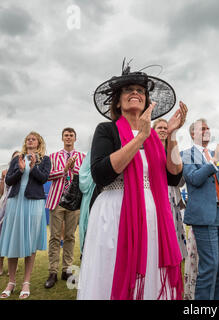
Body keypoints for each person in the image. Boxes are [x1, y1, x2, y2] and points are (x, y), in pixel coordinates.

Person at [77, 63, 184, 300]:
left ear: (146, 101)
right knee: (111, 272)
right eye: (128, 90)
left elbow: (175, 175)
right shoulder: (107, 130)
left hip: (154, 217)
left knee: (150, 273)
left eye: (140, 90)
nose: (135, 93)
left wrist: (173, 136)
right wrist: (141, 137)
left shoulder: (157, 139)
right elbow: (102, 173)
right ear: (117, 101)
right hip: (115, 214)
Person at [181, 118, 219, 300]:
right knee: (210, 267)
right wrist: (214, 161)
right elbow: (194, 179)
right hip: (204, 216)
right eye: (202, 128)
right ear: (193, 134)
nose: (207, 130)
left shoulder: (216, 154)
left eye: (208, 128)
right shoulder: (186, 155)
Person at [0, 133, 50, 299]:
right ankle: (12, 282)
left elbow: (43, 179)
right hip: (15, 202)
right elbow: (9, 181)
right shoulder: (17, 159)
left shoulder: (45, 160)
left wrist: (34, 166)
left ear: (39, 143)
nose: (30, 140)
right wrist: (20, 170)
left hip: (34, 203)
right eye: (28, 138)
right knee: (12, 241)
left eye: (33, 138)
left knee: (30, 242)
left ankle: (26, 282)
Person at [44, 128, 85, 289]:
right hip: (57, 200)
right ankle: (52, 272)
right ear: (62, 138)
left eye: (71, 135)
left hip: (74, 202)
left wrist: (73, 169)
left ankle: (66, 270)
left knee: (69, 236)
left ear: (75, 138)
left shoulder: (82, 157)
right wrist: (65, 169)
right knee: (54, 237)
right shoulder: (53, 157)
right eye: (66, 135)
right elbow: (48, 176)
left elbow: (84, 175)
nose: (68, 138)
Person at [153, 116, 188, 259]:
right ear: (153, 130)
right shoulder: (146, 148)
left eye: (165, 128)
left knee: (172, 229)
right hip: (153, 193)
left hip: (171, 194)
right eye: (159, 127)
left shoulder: (173, 149)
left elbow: (179, 179)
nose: (162, 130)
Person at [0, 151, 20, 277]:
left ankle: (14, 265)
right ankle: (0, 265)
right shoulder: (6, 171)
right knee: (1, 236)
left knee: (14, 236)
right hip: (5, 206)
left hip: (18, 206)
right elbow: (2, 192)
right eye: (15, 157)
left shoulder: (24, 171)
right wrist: (2, 179)